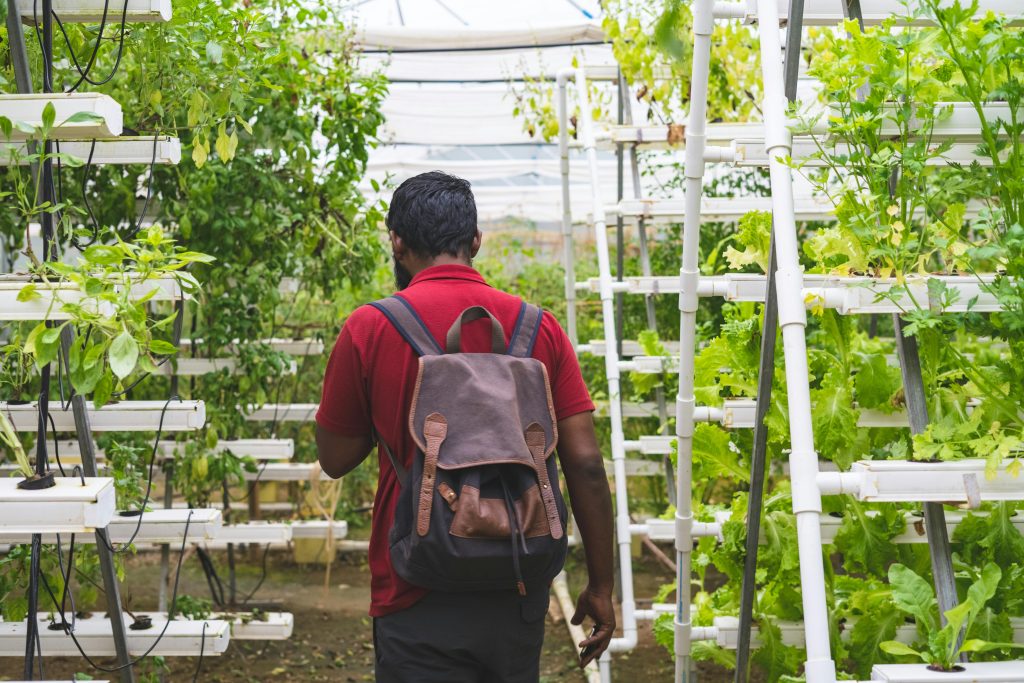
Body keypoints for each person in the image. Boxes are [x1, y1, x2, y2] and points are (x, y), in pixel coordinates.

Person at [315, 171, 615, 683]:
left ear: (397, 241)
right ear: (475, 241)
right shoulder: (538, 328)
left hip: (414, 584)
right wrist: (602, 587)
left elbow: (336, 458)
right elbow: (585, 464)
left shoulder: (370, 328)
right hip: (516, 576)